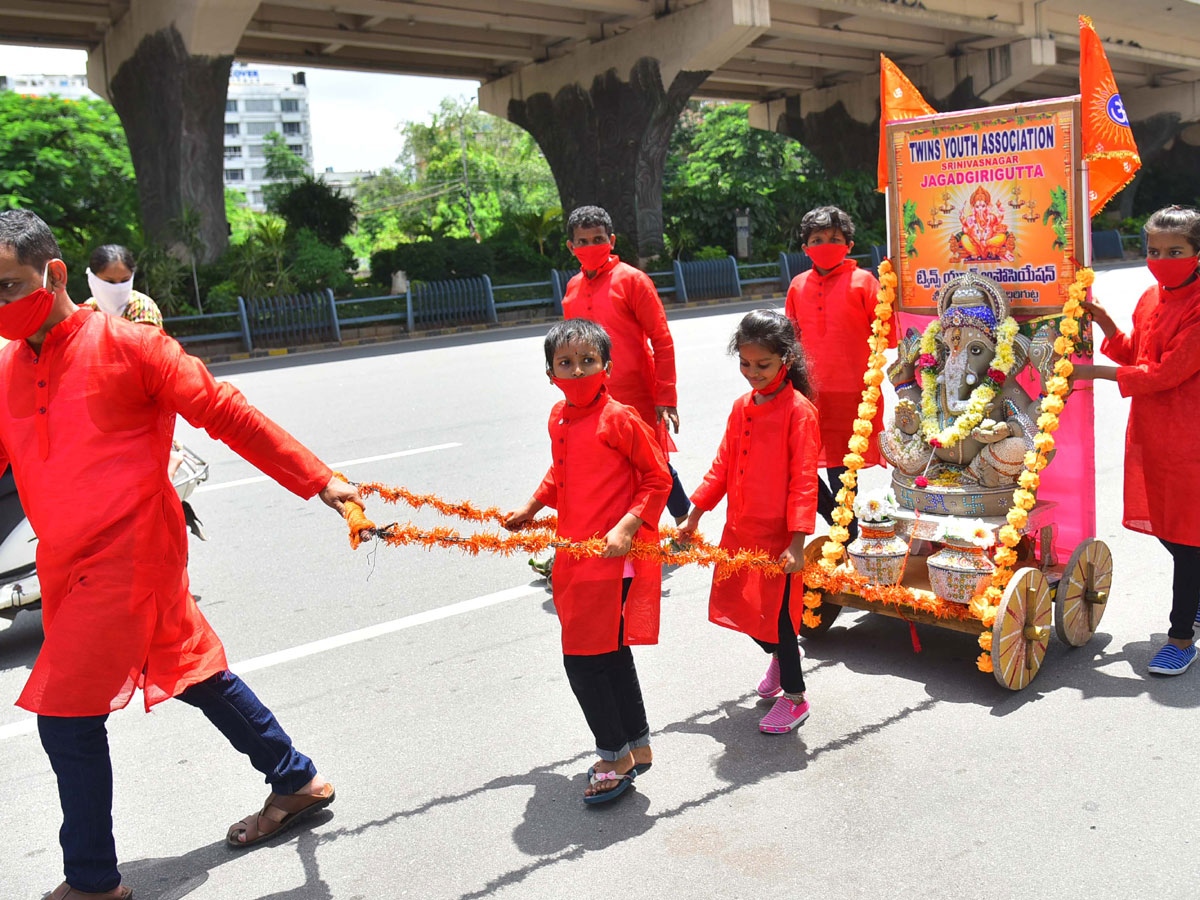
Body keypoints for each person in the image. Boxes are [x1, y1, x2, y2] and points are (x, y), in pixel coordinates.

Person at [0, 210, 364, 900]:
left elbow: (225, 411)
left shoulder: (133, 346)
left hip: (132, 554)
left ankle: (93, 881)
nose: (0, 307)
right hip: (65, 564)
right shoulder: (10, 370)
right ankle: (296, 780)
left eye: (7, 287)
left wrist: (320, 479)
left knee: (66, 712)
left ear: (51, 275)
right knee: (193, 670)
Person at [505, 319, 671, 803]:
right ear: (551, 372)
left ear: (607, 367)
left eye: (587, 361)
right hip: (573, 554)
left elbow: (657, 479)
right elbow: (561, 472)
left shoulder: (621, 418)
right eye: (565, 363)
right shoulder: (558, 417)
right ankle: (636, 746)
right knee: (610, 653)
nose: (577, 371)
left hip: (610, 559)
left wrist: (627, 526)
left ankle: (613, 756)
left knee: (583, 661)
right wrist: (533, 506)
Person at [1074, 205, 1200, 676]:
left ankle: (1180, 636)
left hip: (1190, 435)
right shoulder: (1150, 297)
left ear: (1197, 253)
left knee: (1186, 536)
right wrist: (1107, 325)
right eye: (1153, 250)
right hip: (1151, 431)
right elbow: (1138, 354)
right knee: (1171, 530)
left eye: (1175, 251)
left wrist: (1093, 372)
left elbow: (1166, 373)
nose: (1161, 259)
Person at [680, 310, 820, 734]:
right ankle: (778, 656)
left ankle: (795, 699)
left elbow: (803, 484)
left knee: (779, 619)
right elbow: (722, 465)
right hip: (739, 529)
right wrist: (695, 514)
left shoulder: (800, 412)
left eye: (762, 365)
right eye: (745, 364)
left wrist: (796, 543)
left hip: (779, 537)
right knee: (739, 607)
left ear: (787, 360)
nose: (752, 373)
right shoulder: (741, 408)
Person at [560, 205, 691, 527]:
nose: (591, 246)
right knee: (610, 462)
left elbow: (662, 339)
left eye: (598, 239)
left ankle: (682, 519)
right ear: (571, 247)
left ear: (612, 240)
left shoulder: (633, 281)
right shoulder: (572, 288)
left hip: (637, 391)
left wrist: (666, 397)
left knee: (651, 461)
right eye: (583, 241)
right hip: (592, 395)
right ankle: (625, 528)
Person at [784, 206, 894, 542]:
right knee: (794, 461)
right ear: (805, 248)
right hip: (809, 394)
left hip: (852, 396)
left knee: (842, 468)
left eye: (834, 238)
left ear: (848, 244)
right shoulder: (797, 284)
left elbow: (886, 333)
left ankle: (848, 535)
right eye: (817, 239)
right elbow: (789, 339)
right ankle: (841, 523)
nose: (826, 244)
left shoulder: (864, 281)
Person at [83, 243, 164, 328]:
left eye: (124, 281)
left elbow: (143, 339)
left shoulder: (143, 307)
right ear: (93, 279)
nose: (118, 288)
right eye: (110, 282)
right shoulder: (90, 307)